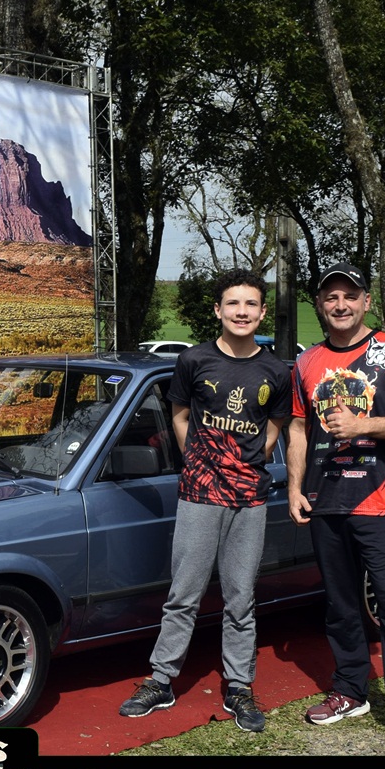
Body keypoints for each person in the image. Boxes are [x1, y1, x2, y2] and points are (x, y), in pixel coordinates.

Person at [118, 268, 291, 733]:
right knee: (183, 595)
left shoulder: (276, 370)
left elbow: (273, 431)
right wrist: (199, 461)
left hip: (249, 498)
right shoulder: (193, 360)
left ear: (261, 312)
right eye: (233, 303)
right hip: (198, 493)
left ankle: (239, 686)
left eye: (250, 304)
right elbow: (179, 417)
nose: (241, 312)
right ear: (218, 310)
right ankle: (161, 681)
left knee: (240, 598)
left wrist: (243, 466)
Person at [286, 263, 385, 751]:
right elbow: (298, 427)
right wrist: (294, 487)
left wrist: (362, 426)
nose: (340, 305)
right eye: (331, 297)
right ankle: (350, 690)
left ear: (366, 302)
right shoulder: (307, 362)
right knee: (339, 606)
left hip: (382, 501)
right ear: (320, 305)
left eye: (349, 296)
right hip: (325, 501)